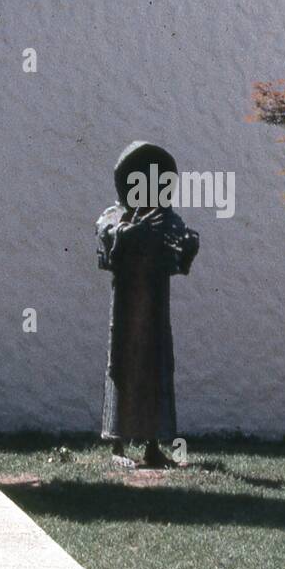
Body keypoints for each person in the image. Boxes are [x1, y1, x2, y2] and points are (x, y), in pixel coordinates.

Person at [96, 142, 199, 469]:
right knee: (123, 365)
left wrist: (188, 246)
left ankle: (153, 445)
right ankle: (117, 446)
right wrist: (129, 233)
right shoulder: (115, 214)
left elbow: (179, 248)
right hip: (127, 306)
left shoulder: (166, 218)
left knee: (156, 367)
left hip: (155, 306)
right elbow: (108, 235)